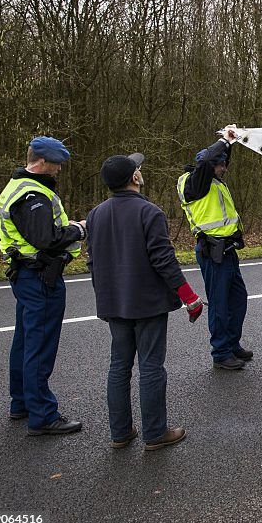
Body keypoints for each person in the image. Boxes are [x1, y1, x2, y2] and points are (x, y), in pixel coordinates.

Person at [87, 153, 205, 451]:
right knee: (151, 367)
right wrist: (190, 298)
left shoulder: (95, 215)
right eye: (138, 169)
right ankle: (155, 433)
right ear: (134, 178)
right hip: (148, 302)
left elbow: (93, 262)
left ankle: (120, 432)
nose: (140, 172)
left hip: (114, 302)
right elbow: (164, 260)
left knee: (119, 366)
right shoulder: (150, 212)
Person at [0, 136, 87, 436]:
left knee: (24, 341)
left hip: (25, 274)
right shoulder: (33, 195)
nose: (59, 169)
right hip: (41, 277)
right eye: (57, 164)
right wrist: (78, 229)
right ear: (42, 163)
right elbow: (46, 239)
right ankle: (43, 415)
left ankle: (22, 402)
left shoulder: (17, 187)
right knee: (39, 346)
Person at [178, 126, 251, 370]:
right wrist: (225, 141)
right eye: (221, 164)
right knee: (219, 304)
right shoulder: (194, 183)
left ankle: (231, 344)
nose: (224, 168)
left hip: (227, 251)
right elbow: (209, 160)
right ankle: (221, 353)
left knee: (238, 298)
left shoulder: (214, 183)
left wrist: (231, 147)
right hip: (213, 252)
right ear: (209, 165)